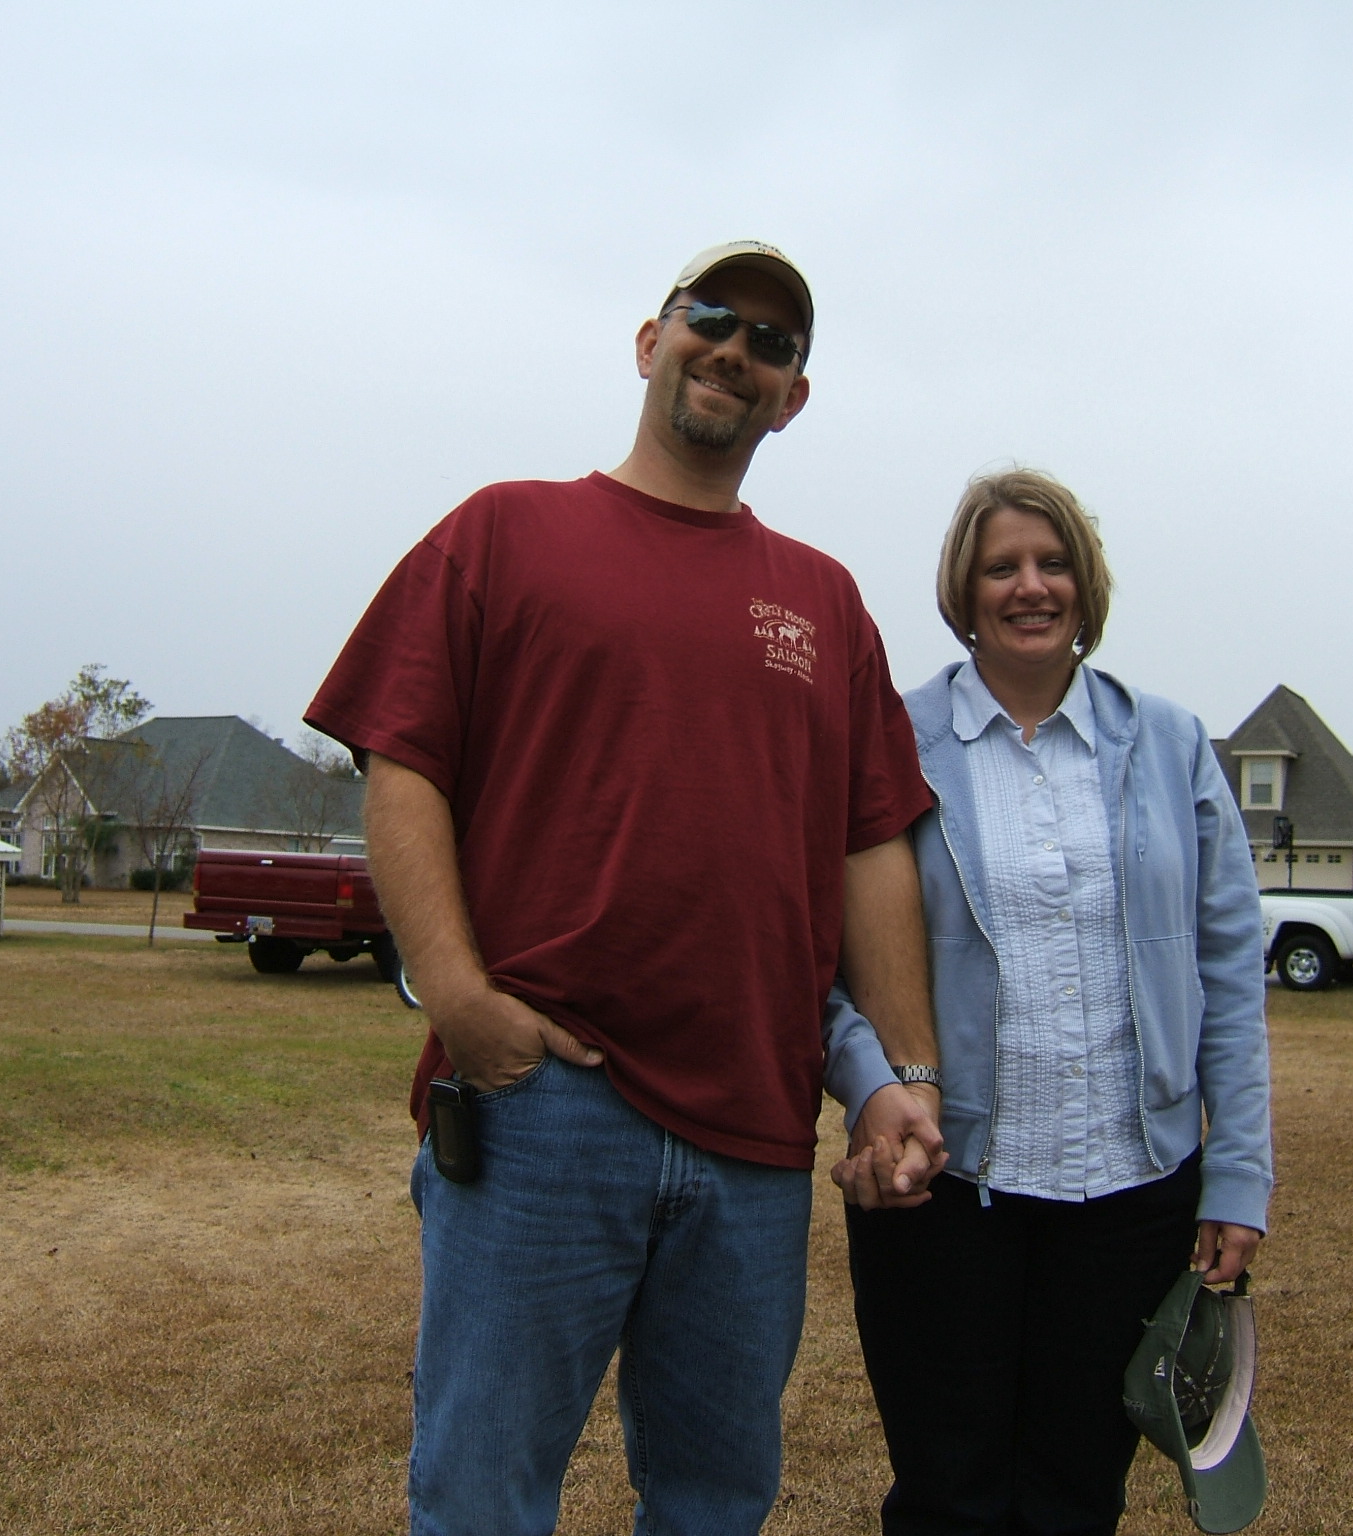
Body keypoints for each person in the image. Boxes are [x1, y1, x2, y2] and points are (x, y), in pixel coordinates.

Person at [305, 242, 946, 1536]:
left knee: (715, 1502)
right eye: (711, 317)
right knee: (482, 1495)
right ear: (650, 342)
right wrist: (459, 997)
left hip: (754, 1133)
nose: (736, 350)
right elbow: (403, 761)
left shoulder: (824, 603)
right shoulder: (505, 532)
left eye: (772, 344)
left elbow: (870, 846)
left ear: (793, 398)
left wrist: (907, 1080)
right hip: (543, 1109)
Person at [826, 467, 1273, 1536]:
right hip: (941, 1192)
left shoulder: (1171, 744)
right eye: (1001, 567)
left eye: (1052, 562)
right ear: (962, 588)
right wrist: (872, 1089)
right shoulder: (887, 739)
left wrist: (1238, 1176)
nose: (1030, 586)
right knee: (948, 1497)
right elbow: (821, 959)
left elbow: (1227, 970)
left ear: (1085, 583)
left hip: (1132, 1193)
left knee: (1077, 1497)